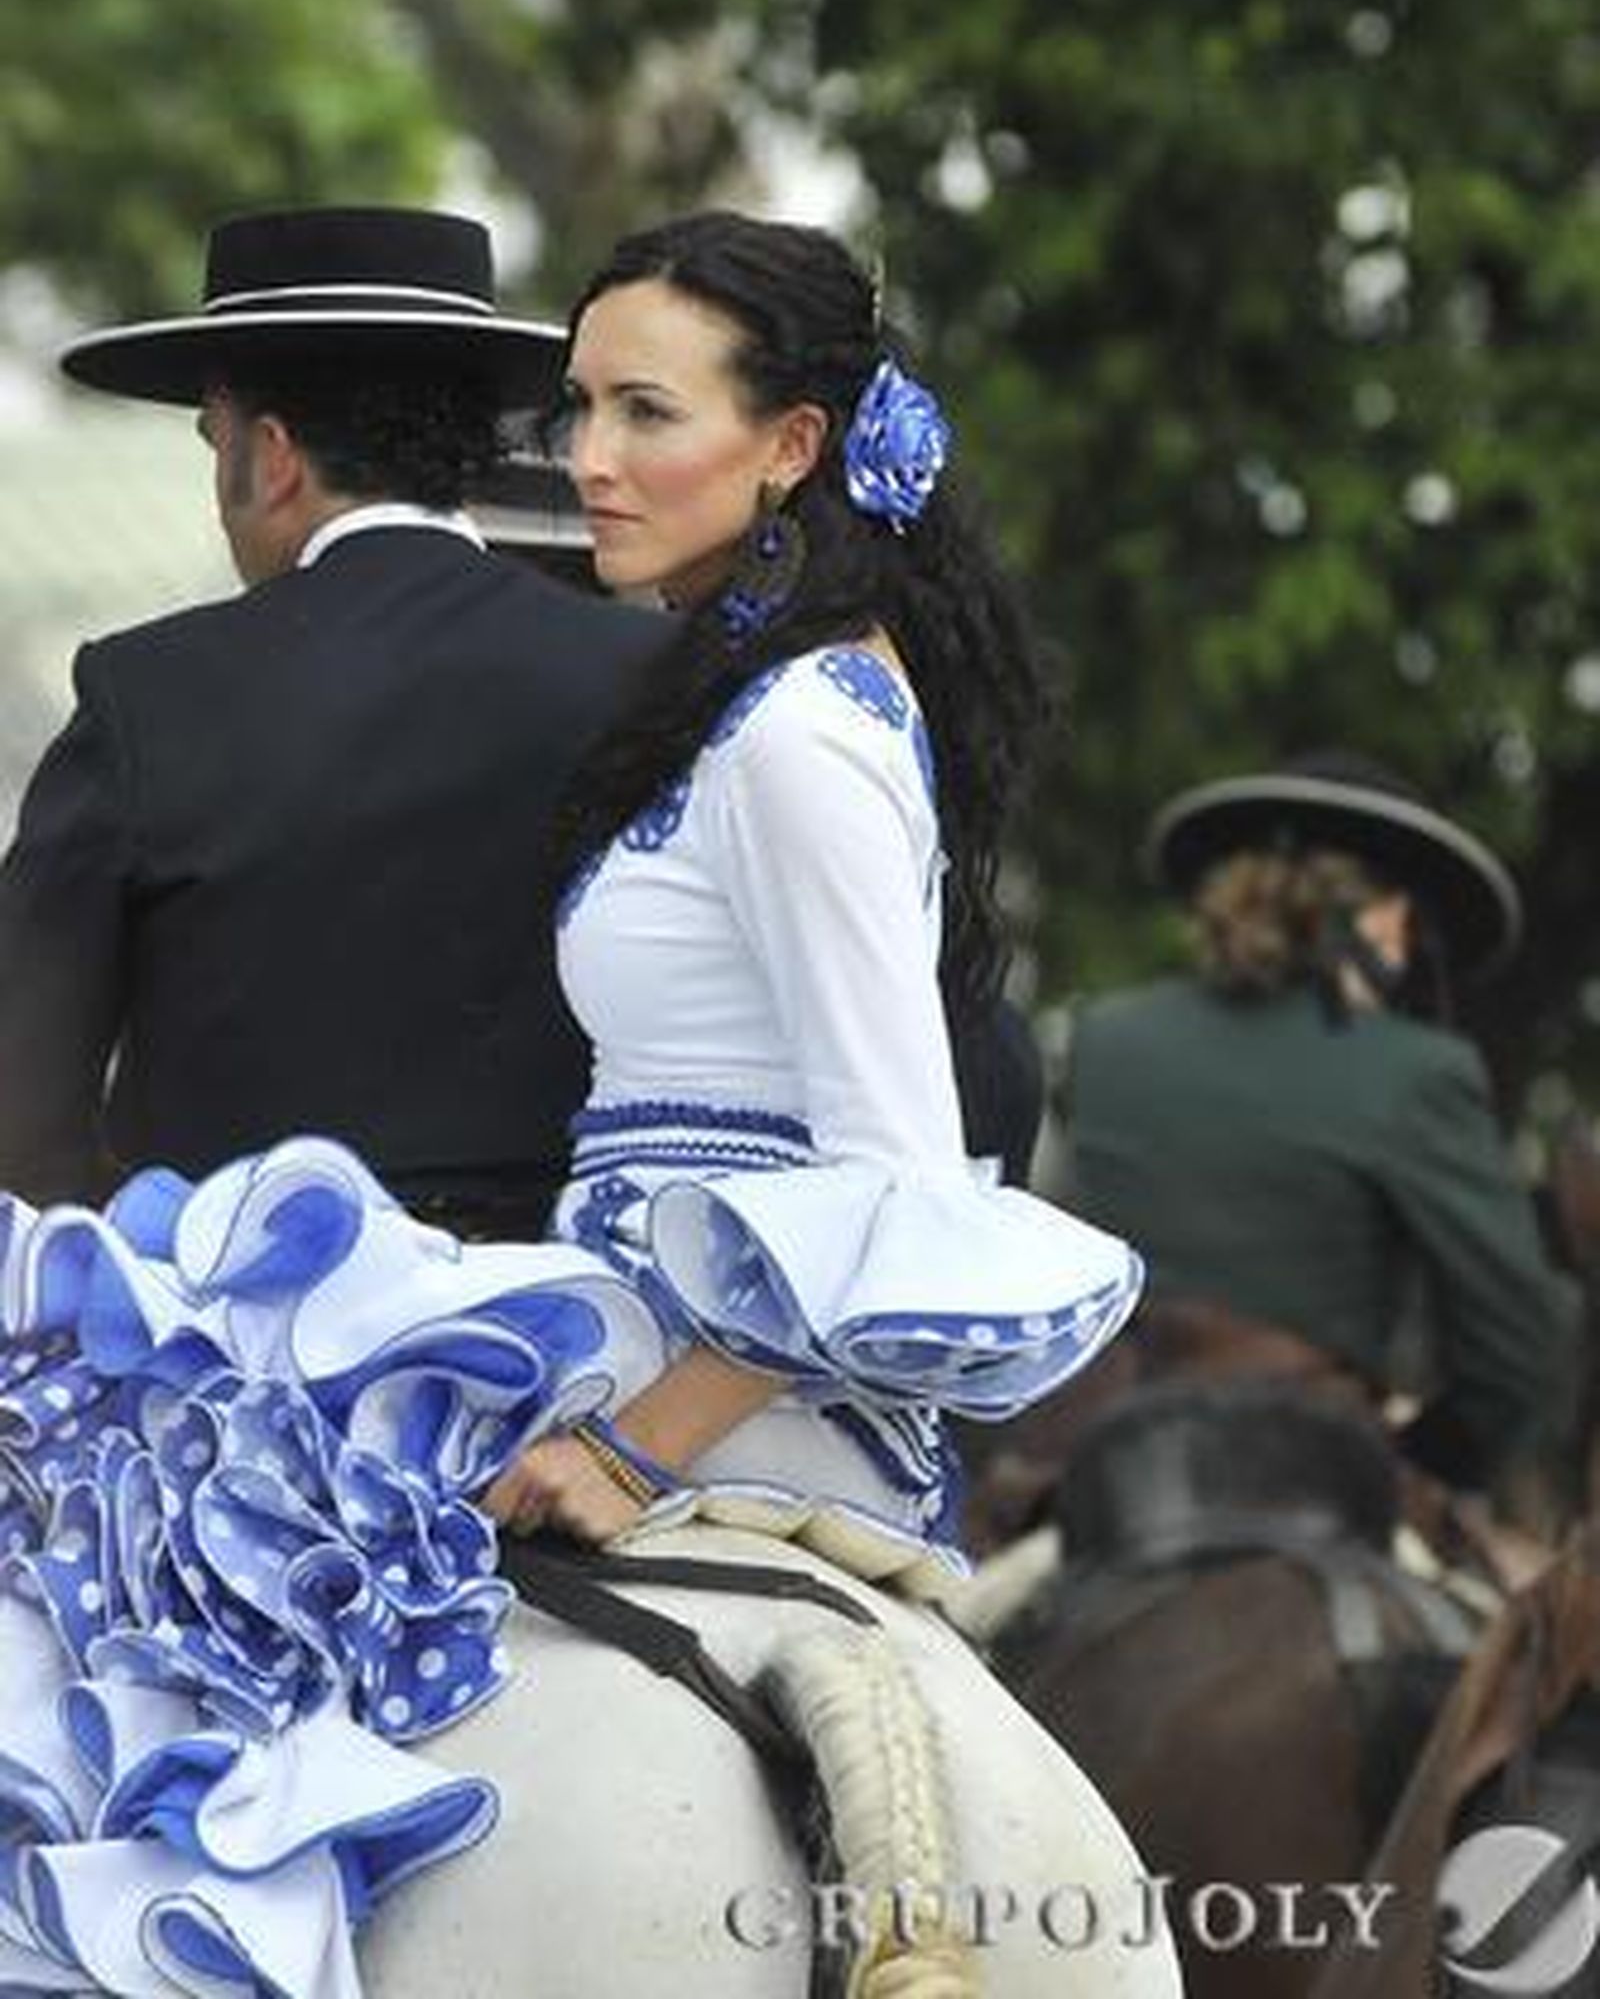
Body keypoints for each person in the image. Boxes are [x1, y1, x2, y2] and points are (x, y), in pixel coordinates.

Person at [0, 209, 1140, 1991]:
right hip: (581, 1337)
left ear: (264, 451)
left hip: (553, 1383)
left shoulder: (762, 714)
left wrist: (635, 1439)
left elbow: (25, 1127)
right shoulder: (665, 686)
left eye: (641, 413)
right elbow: (983, 1061)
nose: (597, 459)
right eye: (581, 411)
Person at [0, 204, 663, 1234]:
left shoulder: (148, 692)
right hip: (569, 1308)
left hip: (231, 1316)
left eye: (212, 442)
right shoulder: (648, 674)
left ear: (271, 457)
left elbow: (23, 1104)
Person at [1062, 751, 1576, 1499]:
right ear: (1378, 918)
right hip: (1309, 1466)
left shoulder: (1107, 1037)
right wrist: (1427, 1458)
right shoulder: (1418, 1070)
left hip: (1107, 1467)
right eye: (1412, 928)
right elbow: (1519, 1349)